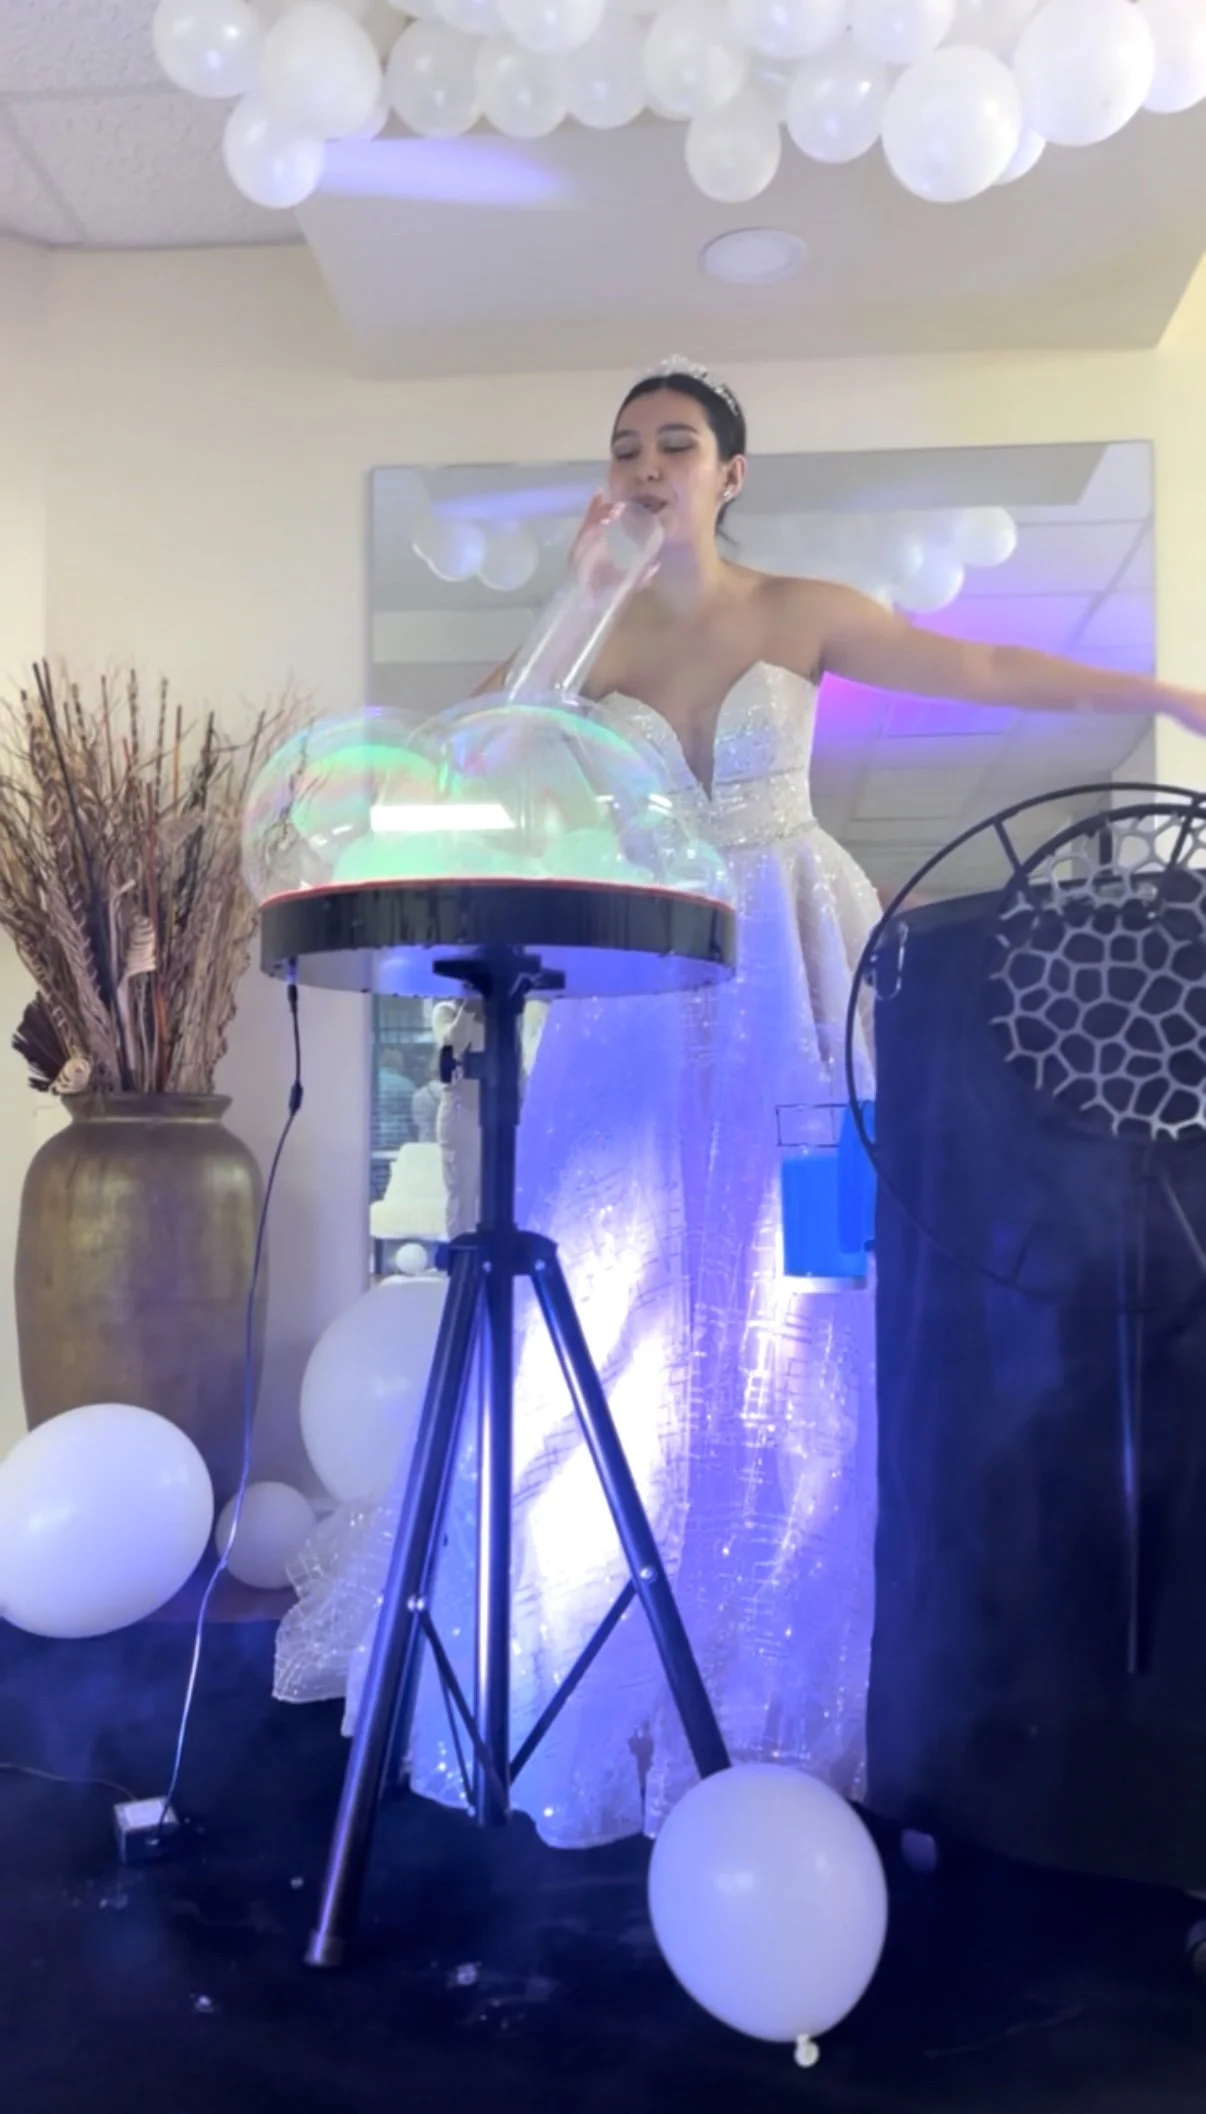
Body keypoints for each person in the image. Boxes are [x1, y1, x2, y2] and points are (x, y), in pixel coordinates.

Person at [276, 358, 1205, 1847]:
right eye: (625, 447)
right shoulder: (592, 633)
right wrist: (576, 598)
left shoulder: (798, 609)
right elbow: (479, 757)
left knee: (809, 1289)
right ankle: (599, 1658)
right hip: (637, 988)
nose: (647, 466)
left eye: (676, 443)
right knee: (611, 1285)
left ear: (730, 472)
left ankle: (788, 1660)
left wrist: (1165, 694)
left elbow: (975, 667)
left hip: (793, 971)